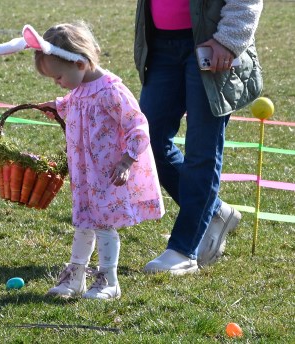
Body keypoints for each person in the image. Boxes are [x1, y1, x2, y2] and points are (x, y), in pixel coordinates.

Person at [0, 23, 164, 300]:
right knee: (84, 222)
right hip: (85, 174)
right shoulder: (80, 88)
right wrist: (56, 104)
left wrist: (126, 161)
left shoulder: (111, 91)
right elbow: (74, 101)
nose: (57, 82)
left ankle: (109, 280)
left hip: (107, 173)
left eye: (58, 76)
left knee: (104, 224)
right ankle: (76, 276)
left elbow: (138, 126)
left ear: (81, 64)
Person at [134, 1, 263, 274]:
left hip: (212, 44)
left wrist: (228, 40)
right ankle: (214, 210)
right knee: (145, 142)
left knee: (201, 151)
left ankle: (183, 250)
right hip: (160, 45)